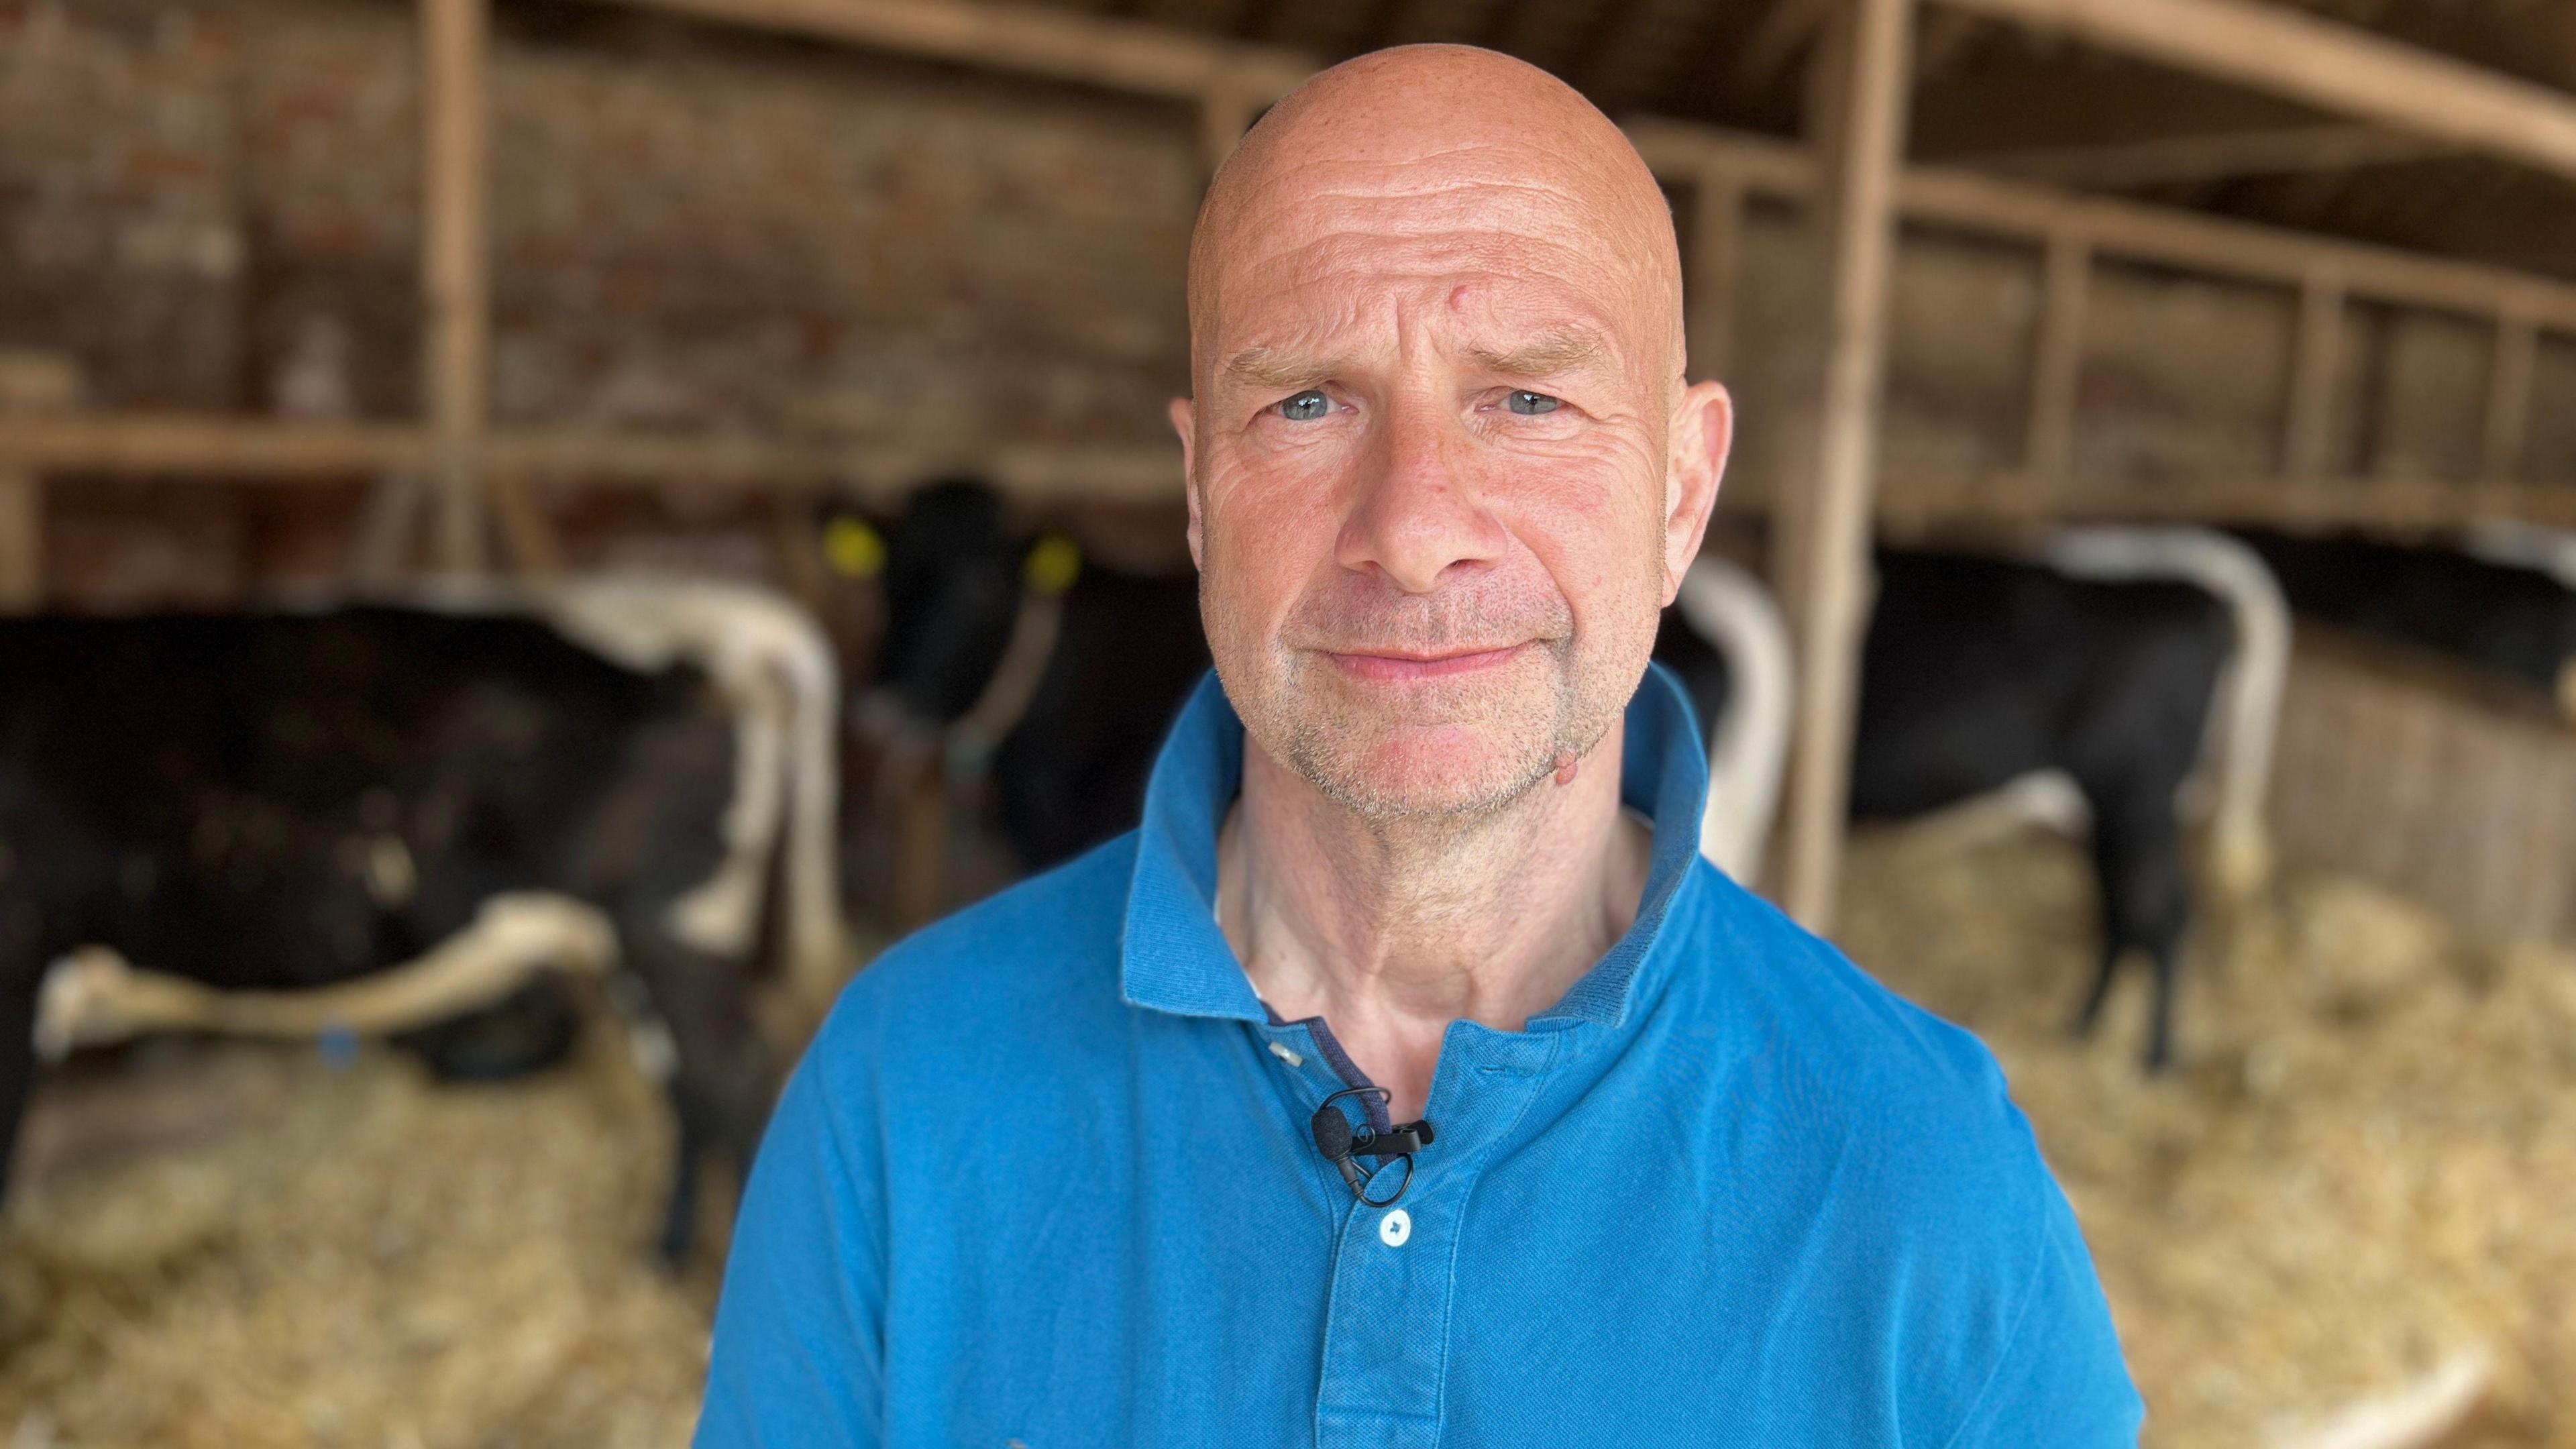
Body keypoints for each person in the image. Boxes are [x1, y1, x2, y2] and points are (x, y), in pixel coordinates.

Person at [696, 44, 2141, 1447]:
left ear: (1683, 497)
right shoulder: (899, 1091)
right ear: (1201, 497)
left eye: (1528, 398)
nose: (1415, 527)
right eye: (1309, 403)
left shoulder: (1933, 1185)